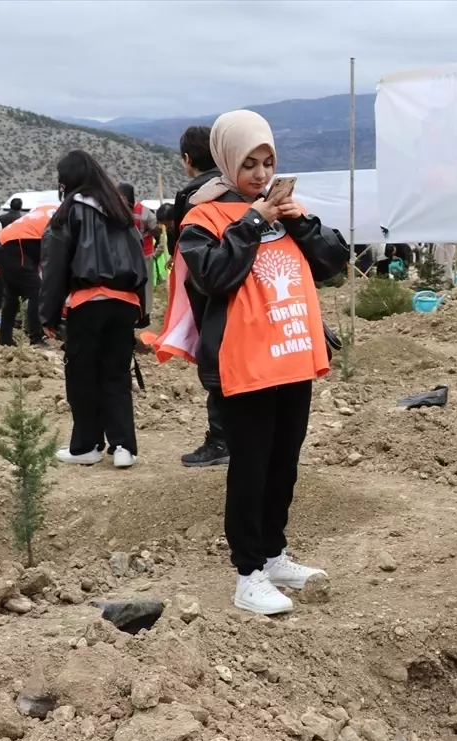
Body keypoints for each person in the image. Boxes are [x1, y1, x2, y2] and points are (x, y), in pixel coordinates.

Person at [177, 110, 348, 615]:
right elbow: (211, 275)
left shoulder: (285, 211)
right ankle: (247, 573)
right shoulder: (201, 218)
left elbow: (332, 262)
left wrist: (300, 222)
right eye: (249, 163)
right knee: (250, 468)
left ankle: (274, 555)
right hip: (244, 364)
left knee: (283, 464)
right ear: (228, 162)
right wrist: (254, 221)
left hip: (292, 357)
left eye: (268, 162)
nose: (260, 173)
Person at [40, 151, 146, 468]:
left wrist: (47, 315)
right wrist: (142, 312)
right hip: (125, 304)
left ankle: (86, 446)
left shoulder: (69, 212)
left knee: (83, 376)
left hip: (88, 304)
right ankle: (124, 447)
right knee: (116, 374)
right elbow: (140, 262)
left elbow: (54, 266)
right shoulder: (121, 212)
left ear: (66, 181)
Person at [171, 124, 229, 468]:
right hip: (245, 285)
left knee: (214, 359)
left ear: (188, 159)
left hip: (208, 285)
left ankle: (221, 438)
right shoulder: (238, 186)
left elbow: (183, 247)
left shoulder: (193, 196)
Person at [0, 204, 55, 346]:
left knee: (12, 296)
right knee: (37, 291)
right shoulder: (62, 218)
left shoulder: (46, 210)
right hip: (15, 248)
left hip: (0, 247)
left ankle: (5, 339)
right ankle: (36, 338)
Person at [118, 183, 157, 325]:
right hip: (125, 257)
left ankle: (144, 318)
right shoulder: (117, 211)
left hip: (144, 255)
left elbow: (156, 228)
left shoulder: (145, 212)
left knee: (144, 288)